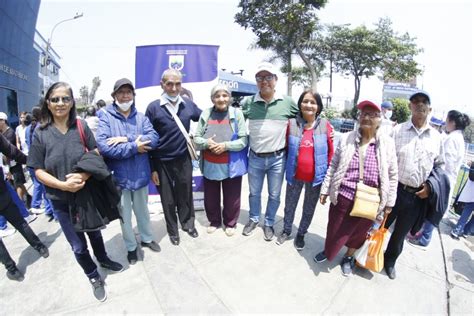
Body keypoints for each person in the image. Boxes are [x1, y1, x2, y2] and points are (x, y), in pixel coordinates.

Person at [27, 82, 123, 302]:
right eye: (55, 99)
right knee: (78, 246)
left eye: (65, 99)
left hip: (85, 193)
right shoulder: (40, 133)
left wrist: (84, 176)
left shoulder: (80, 126)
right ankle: (92, 275)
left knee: (95, 233)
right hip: (60, 199)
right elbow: (37, 170)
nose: (60, 103)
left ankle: (103, 259)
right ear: (48, 104)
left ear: (72, 102)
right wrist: (62, 185)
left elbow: (96, 152)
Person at [313, 100, 398, 277]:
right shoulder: (347, 138)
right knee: (334, 228)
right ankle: (329, 250)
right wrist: (325, 189)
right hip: (343, 195)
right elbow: (334, 165)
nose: (366, 117)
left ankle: (348, 257)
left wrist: (389, 202)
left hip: (370, 201)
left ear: (379, 119)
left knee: (359, 233)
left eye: (371, 114)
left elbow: (392, 175)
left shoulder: (387, 144)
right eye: (363, 114)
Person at [97, 78, 161, 264]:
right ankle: (131, 247)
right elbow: (105, 147)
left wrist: (126, 139)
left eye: (128, 92)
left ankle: (147, 239)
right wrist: (135, 147)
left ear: (133, 95)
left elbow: (154, 139)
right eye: (121, 92)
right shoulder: (105, 117)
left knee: (143, 211)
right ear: (114, 95)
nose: (125, 95)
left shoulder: (141, 117)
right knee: (124, 216)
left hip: (140, 175)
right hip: (119, 178)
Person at [383, 90, 444, 280]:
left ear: (430, 108)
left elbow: (440, 166)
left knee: (399, 234)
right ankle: (365, 254)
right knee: (378, 226)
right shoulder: (397, 130)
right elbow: (384, 158)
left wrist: (430, 187)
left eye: (424, 101)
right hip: (394, 190)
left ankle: (389, 262)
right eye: (415, 101)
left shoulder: (436, 137)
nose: (419, 104)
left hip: (417, 196)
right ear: (410, 106)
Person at [241, 62, 299, 241]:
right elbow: (236, 123)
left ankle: (269, 223)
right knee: (254, 192)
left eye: (268, 77)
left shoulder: (287, 102)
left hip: (278, 159)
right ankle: (253, 219)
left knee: (274, 194)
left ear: (276, 79)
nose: (264, 81)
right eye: (260, 78)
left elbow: (304, 120)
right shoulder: (248, 102)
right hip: (255, 157)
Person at [145, 69, 202, 246]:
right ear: (162, 84)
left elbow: (205, 118)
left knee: (185, 194)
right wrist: (152, 168)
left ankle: (188, 224)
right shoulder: (153, 108)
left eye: (177, 83)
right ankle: (172, 230)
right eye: (169, 83)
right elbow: (147, 139)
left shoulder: (187, 105)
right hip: (161, 161)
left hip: (184, 159)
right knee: (167, 199)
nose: (174, 87)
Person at [277, 90, 334, 250]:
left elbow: (331, 153)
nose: (308, 105)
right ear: (300, 104)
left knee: (309, 208)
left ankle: (301, 233)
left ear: (318, 107)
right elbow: (286, 148)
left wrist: (327, 180)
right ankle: (287, 230)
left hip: (315, 178)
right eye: (305, 101)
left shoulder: (325, 125)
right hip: (294, 175)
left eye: (313, 102)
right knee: (290, 205)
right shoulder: (291, 124)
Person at [408, 110, 471, 248]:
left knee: (434, 209)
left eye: (447, 121)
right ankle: (422, 234)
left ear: (452, 122)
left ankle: (424, 238)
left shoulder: (453, 139)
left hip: (443, 178)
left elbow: (447, 162)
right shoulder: (457, 137)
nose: (445, 124)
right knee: (433, 208)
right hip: (446, 178)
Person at [194, 84, 248, 236]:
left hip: (231, 165)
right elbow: (196, 139)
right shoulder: (206, 113)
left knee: (232, 197)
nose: (221, 99)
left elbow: (243, 140)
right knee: (211, 197)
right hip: (210, 164)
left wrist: (225, 146)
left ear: (229, 98)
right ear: (212, 99)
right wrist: (206, 143)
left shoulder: (237, 114)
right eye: (217, 96)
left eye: (224, 95)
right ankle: (214, 221)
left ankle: (230, 223)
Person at [0, 132, 49, 281]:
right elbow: (12, 151)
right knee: (20, 222)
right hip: (1, 193)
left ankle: (12, 270)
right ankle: (40, 247)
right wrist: (31, 161)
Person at [25, 107, 56, 222]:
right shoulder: (41, 127)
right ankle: (54, 212)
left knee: (41, 186)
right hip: (42, 160)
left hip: (32, 160)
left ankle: (48, 210)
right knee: (48, 187)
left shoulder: (28, 128)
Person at [0, 112, 29, 211]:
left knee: (17, 184)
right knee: (16, 184)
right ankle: (29, 198)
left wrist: (28, 161)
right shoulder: (2, 134)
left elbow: (11, 150)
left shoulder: (10, 133)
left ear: (3, 121)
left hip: (14, 162)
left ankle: (21, 207)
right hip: (7, 165)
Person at [451, 162, 474, 239]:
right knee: (467, 212)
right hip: (471, 194)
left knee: (466, 212)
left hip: (471, 194)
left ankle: (458, 231)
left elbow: (471, 176)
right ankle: (465, 231)